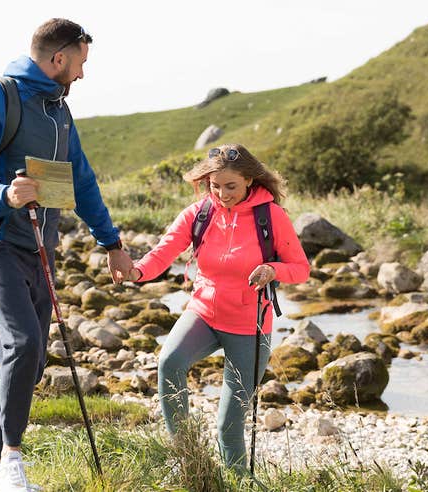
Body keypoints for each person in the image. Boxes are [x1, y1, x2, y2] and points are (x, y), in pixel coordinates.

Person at [0, 18, 133, 492]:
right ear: (58, 58)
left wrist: (111, 245)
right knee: (23, 342)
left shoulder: (59, 113)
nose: (81, 75)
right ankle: (14, 462)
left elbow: (83, 182)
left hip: (38, 248)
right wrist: (3, 194)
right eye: (80, 64)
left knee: (28, 360)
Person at [127, 144, 310, 470]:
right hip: (204, 312)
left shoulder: (271, 217)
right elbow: (164, 251)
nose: (222, 194)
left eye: (231, 187)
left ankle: (239, 481)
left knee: (229, 426)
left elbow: (300, 268)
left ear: (249, 182)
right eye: (215, 186)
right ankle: (187, 457)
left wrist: (273, 269)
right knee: (169, 362)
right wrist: (137, 271)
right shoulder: (200, 213)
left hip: (248, 325)